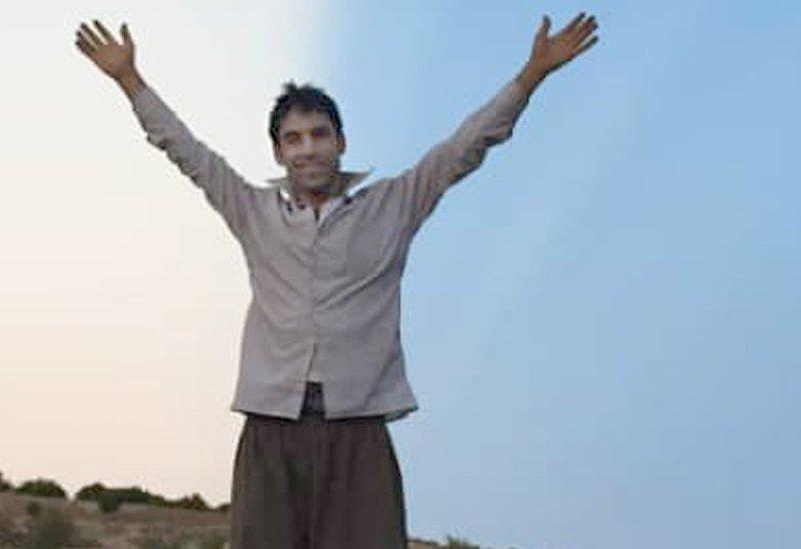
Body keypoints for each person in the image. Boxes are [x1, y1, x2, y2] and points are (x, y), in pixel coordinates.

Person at [75, 11, 598, 548]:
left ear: (340, 141)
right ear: (279, 151)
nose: (308, 149)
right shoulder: (253, 211)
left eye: (319, 134)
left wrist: (532, 74)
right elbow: (184, 148)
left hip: (358, 430)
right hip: (270, 430)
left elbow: (468, 144)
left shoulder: (395, 205)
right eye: (293, 139)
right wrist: (129, 80)